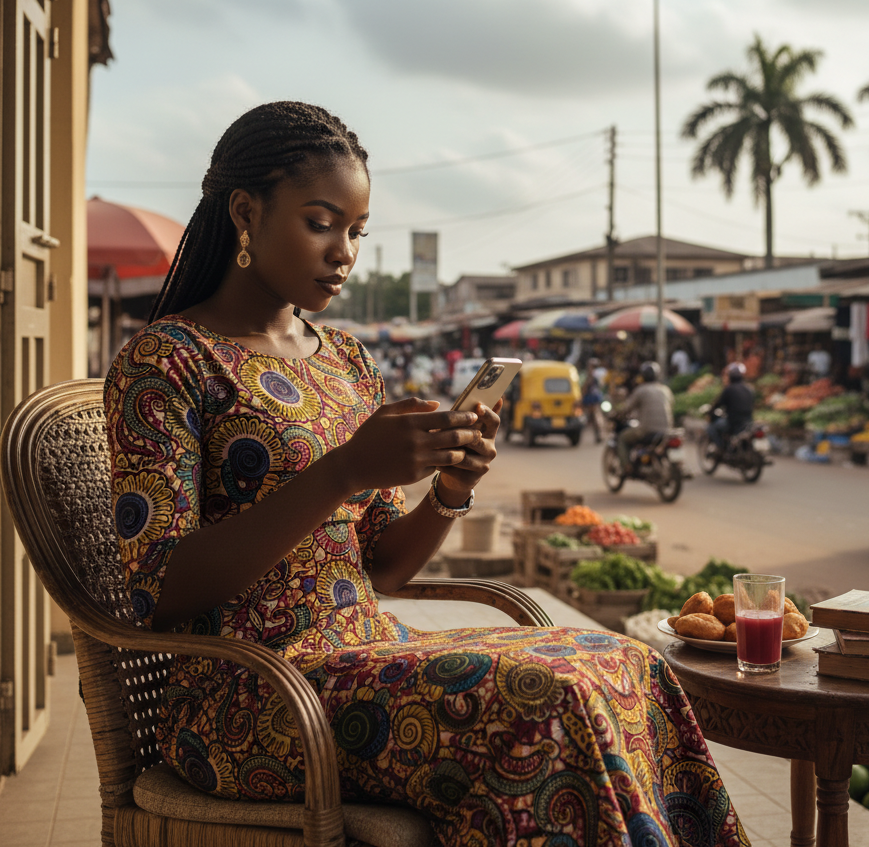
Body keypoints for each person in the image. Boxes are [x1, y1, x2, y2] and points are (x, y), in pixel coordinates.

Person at [103, 102, 748, 847]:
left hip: (363, 651)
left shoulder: (344, 360)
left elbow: (388, 566)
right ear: (246, 213)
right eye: (321, 222)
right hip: (249, 694)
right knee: (546, 698)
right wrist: (343, 471)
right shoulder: (167, 362)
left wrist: (450, 489)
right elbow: (158, 590)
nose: (344, 252)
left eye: (357, 231)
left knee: (628, 663)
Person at [615, 361, 674, 473]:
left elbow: (627, 408)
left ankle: (627, 467)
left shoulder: (641, 390)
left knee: (622, 438)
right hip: (667, 430)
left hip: (647, 430)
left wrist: (618, 414)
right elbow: (671, 404)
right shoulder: (665, 390)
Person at [709, 363, 755, 453]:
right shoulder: (749, 389)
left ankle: (720, 448)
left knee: (711, 428)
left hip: (733, 422)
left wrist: (711, 411)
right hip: (748, 421)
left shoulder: (728, 389)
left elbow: (719, 403)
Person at [580, 356, 608, 444]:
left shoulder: (599, 375)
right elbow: (582, 388)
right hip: (588, 399)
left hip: (595, 399)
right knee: (585, 418)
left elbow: (602, 386)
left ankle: (599, 435)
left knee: (597, 417)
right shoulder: (584, 375)